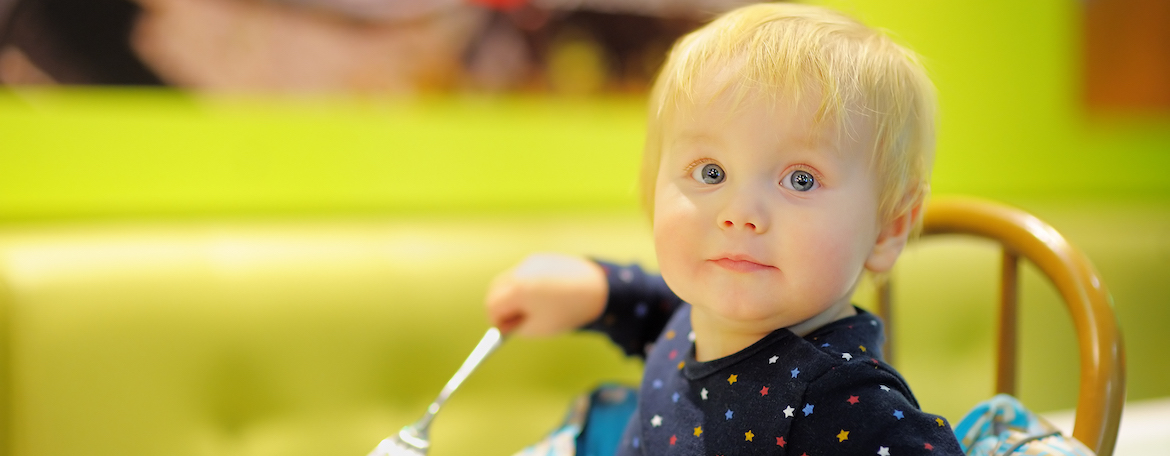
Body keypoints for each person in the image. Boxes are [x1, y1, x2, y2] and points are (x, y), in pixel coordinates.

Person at [486, 3, 963, 454]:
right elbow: (664, 316)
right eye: (710, 172)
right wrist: (599, 291)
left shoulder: (843, 399)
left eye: (801, 179)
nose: (739, 212)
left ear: (887, 229)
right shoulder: (712, 311)